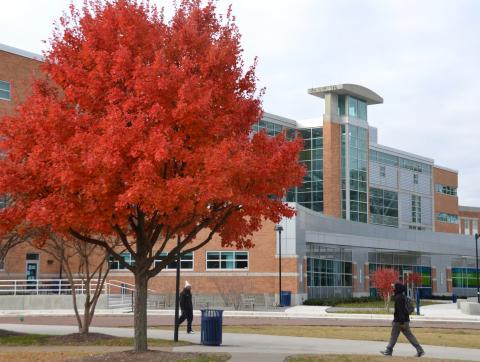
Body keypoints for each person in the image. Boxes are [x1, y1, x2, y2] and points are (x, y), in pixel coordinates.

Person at [381, 282, 425, 357]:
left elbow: (400, 311)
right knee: (410, 336)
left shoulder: (398, 298)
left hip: (399, 322)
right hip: (405, 321)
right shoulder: (403, 297)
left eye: (394, 287)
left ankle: (388, 350)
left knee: (393, 336)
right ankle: (420, 350)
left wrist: (400, 322)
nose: (393, 288)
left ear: (397, 289)